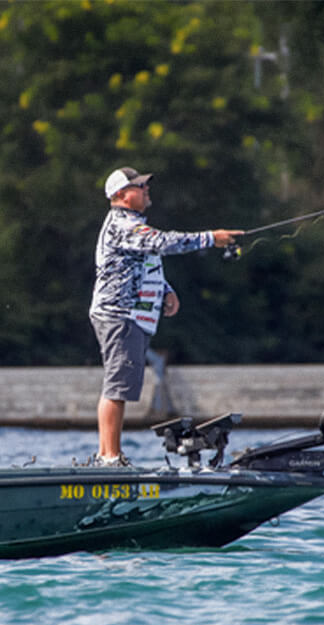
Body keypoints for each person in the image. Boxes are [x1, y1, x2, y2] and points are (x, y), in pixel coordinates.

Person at [89, 166, 241, 466]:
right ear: (120, 195)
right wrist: (211, 238)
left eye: (146, 185)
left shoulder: (132, 224)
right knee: (117, 387)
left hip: (129, 315)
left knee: (121, 385)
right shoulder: (124, 225)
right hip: (118, 315)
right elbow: (163, 242)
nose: (146, 190)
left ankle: (109, 454)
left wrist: (165, 289)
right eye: (139, 187)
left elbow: (142, 261)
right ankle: (109, 456)